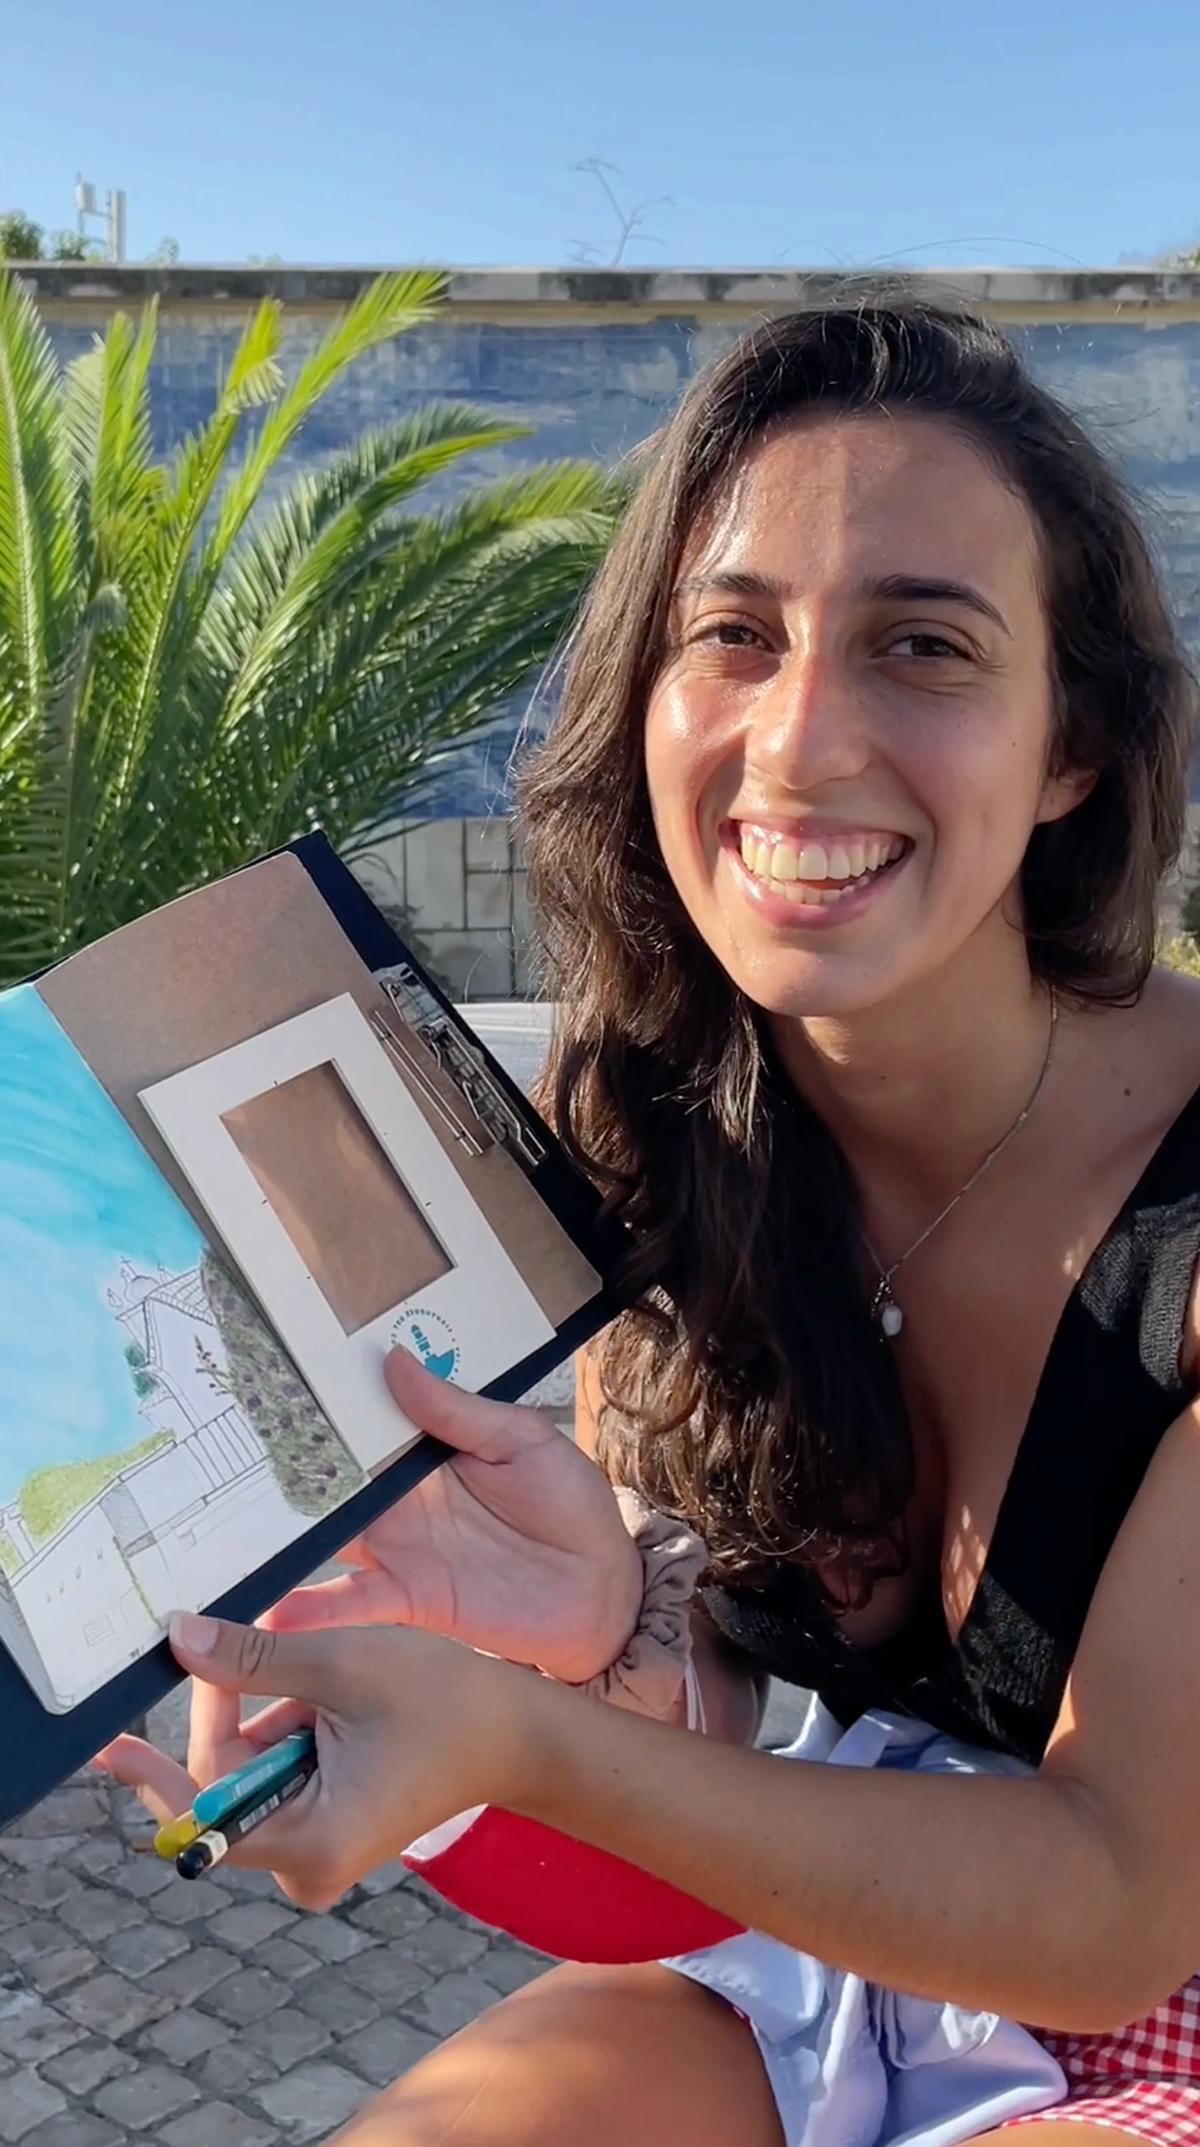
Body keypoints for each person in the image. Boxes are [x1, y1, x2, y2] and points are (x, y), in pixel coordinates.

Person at [101, 296, 1200, 2147]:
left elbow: (1107, 1912)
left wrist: (533, 1743)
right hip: (840, 1957)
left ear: (1072, 747)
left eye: (922, 646)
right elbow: (758, 1762)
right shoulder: (648, 1142)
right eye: (733, 637)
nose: (797, 744)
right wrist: (588, 1643)